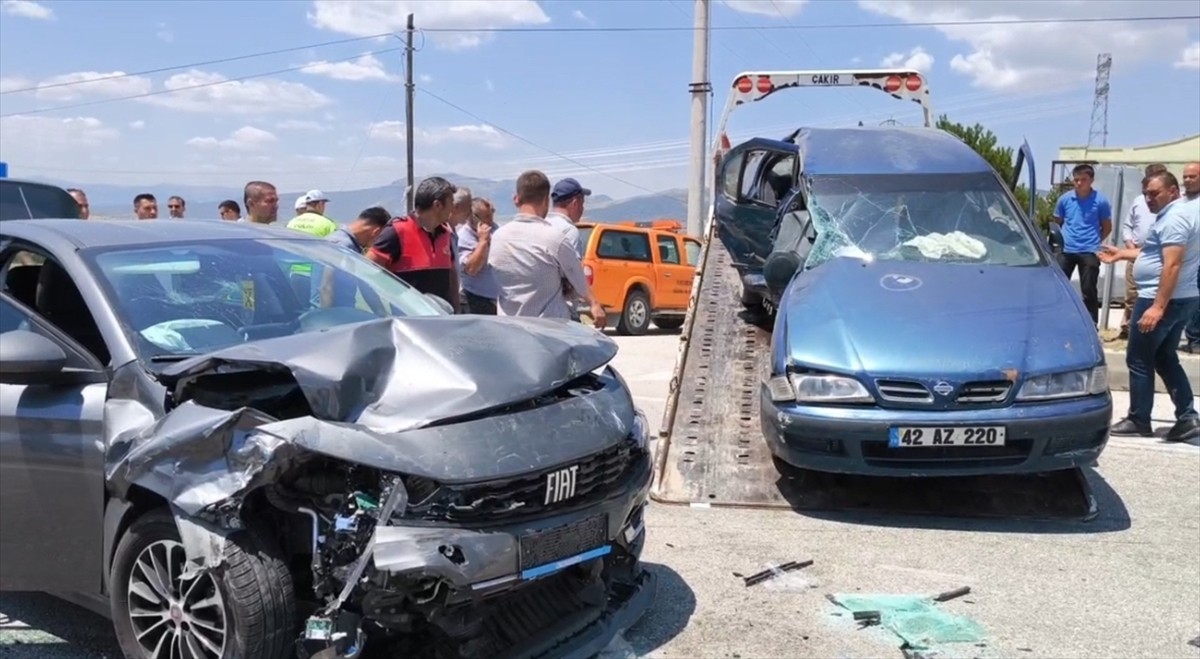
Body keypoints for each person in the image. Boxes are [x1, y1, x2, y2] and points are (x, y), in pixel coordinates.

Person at [1100, 171, 1200, 442]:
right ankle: (1188, 417)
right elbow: (1155, 253)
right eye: (1146, 194)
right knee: (1165, 357)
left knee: (1139, 358)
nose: (1148, 199)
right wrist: (1122, 253)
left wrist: (1156, 307)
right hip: (1183, 297)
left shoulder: (1175, 218)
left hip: (1161, 297)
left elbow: (1172, 264)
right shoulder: (1178, 214)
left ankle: (1139, 419)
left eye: (1155, 193)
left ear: (1173, 191)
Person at [488, 169, 605, 326]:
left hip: (510, 329)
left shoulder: (497, 237)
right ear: (546, 201)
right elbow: (577, 281)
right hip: (549, 330)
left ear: (516, 199)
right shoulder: (555, 239)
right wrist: (594, 305)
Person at [367, 176, 460, 309]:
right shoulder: (397, 231)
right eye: (451, 202)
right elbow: (367, 272)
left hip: (443, 322)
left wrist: (457, 310)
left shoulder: (445, 234)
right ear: (437, 205)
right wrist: (380, 311)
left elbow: (452, 277)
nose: (453, 209)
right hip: (409, 323)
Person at [1052, 164, 1112, 325]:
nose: (1079, 183)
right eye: (1076, 180)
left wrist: (1095, 241)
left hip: (1089, 250)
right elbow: (1056, 223)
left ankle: (1091, 324)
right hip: (1066, 249)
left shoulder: (1100, 201)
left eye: (1083, 180)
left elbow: (1107, 226)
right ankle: (1057, 320)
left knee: (1088, 290)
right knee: (1058, 287)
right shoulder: (1065, 199)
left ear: (1091, 180)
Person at [1118, 164, 1168, 339]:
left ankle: (1152, 332)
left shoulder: (1174, 205)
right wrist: (1129, 245)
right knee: (1132, 295)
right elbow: (1127, 226)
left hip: (1162, 257)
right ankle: (1131, 329)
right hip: (1135, 253)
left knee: (1157, 295)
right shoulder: (1139, 201)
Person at [321, 206, 391, 309]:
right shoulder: (344, 247)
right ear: (375, 232)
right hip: (336, 317)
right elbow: (326, 287)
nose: (377, 244)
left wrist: (381, 313)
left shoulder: (341, 242)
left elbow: (364, 284)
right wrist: (326, 319)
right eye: (380, 238)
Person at [456, 197, 499, 314]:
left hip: (496, 300)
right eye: (486, 217)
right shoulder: (463, 237)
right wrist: (482, 242)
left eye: (491, 215)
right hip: (474, 299)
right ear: (473, 218)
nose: (490, 221)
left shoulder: (496, 230)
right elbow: (471, 269)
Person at [1180, 161, 1200, 353]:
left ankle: (1195, 340)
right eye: (1185, 176)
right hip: (1182, 258)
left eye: (1192, 176)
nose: (1187, 180)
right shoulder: (1179, 202)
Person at [546, 177, 590, 253]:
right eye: (582, 204)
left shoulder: (540, 224)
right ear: (575, 204)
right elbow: (572, 265)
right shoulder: (569, 231)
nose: (583, 209)